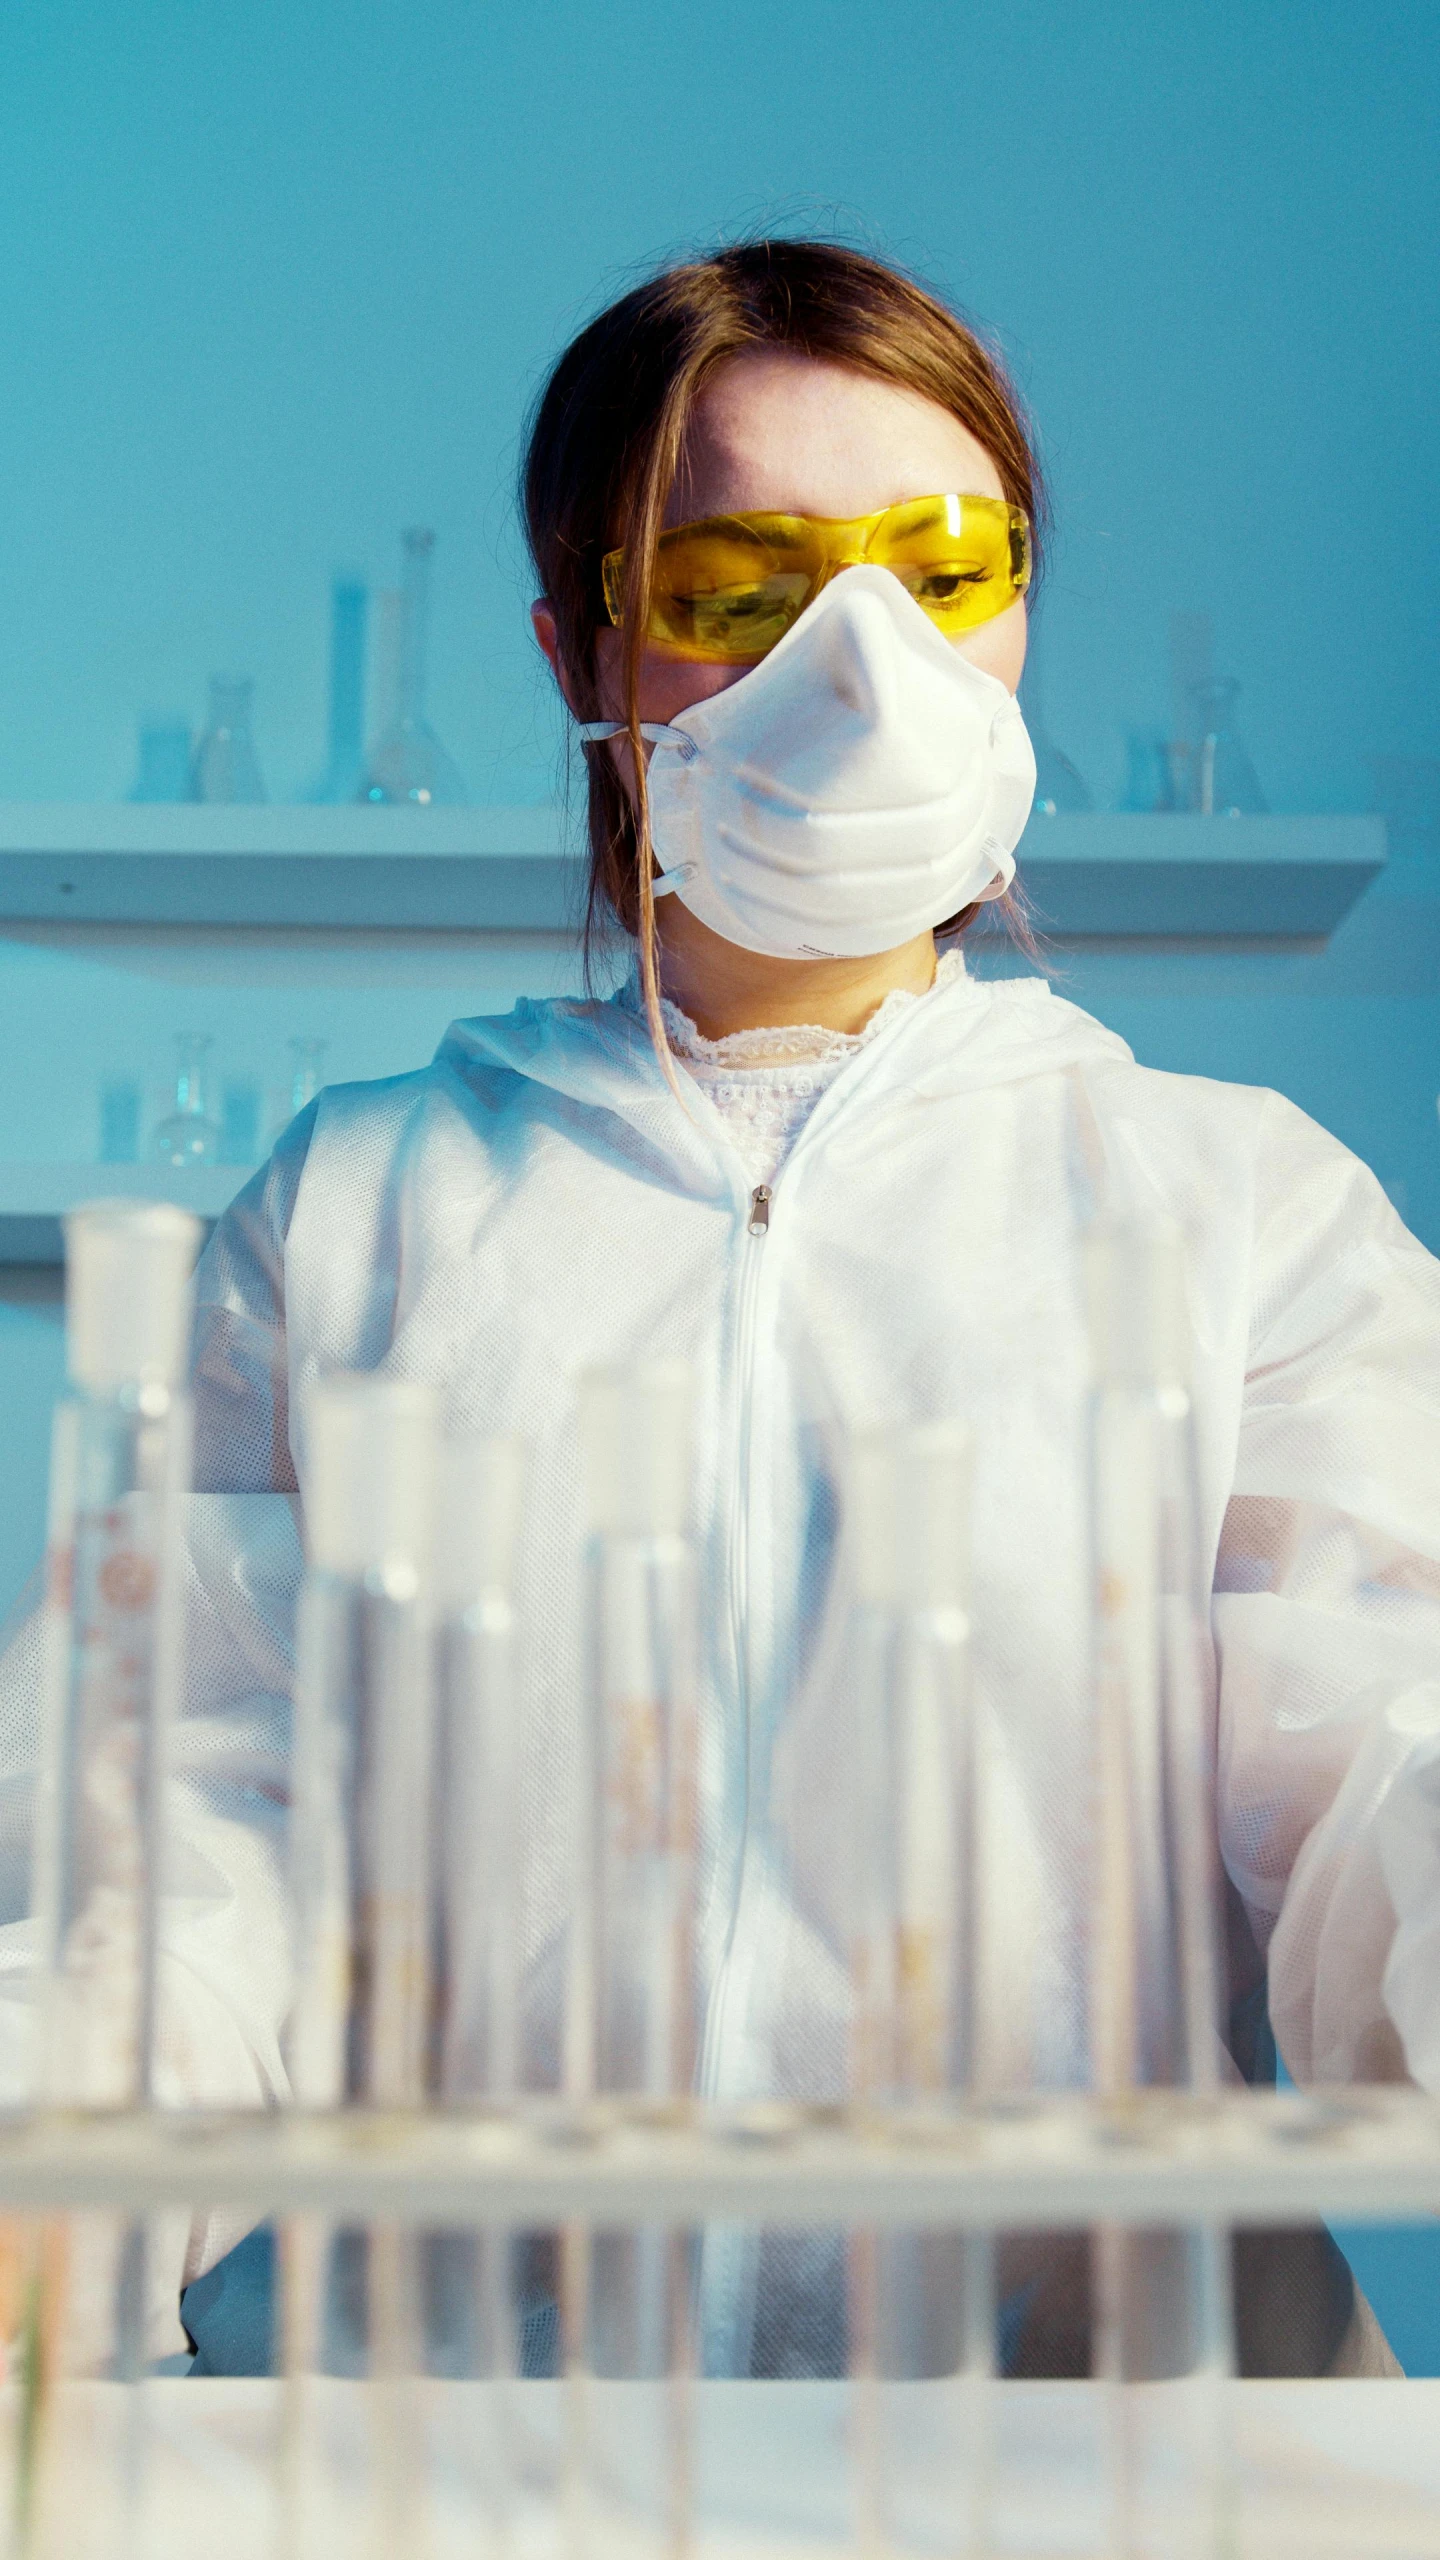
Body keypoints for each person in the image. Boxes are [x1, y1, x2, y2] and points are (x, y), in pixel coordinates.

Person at [3, 239, 1438, 2378]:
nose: (865, 665)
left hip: (1100, 2472)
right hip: (479, 2464)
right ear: (580, 642)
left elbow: (1380, 1770)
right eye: (742, 588)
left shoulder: (1234, 1213)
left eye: (942, 567)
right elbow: (197, 1848)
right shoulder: (359, 1212)